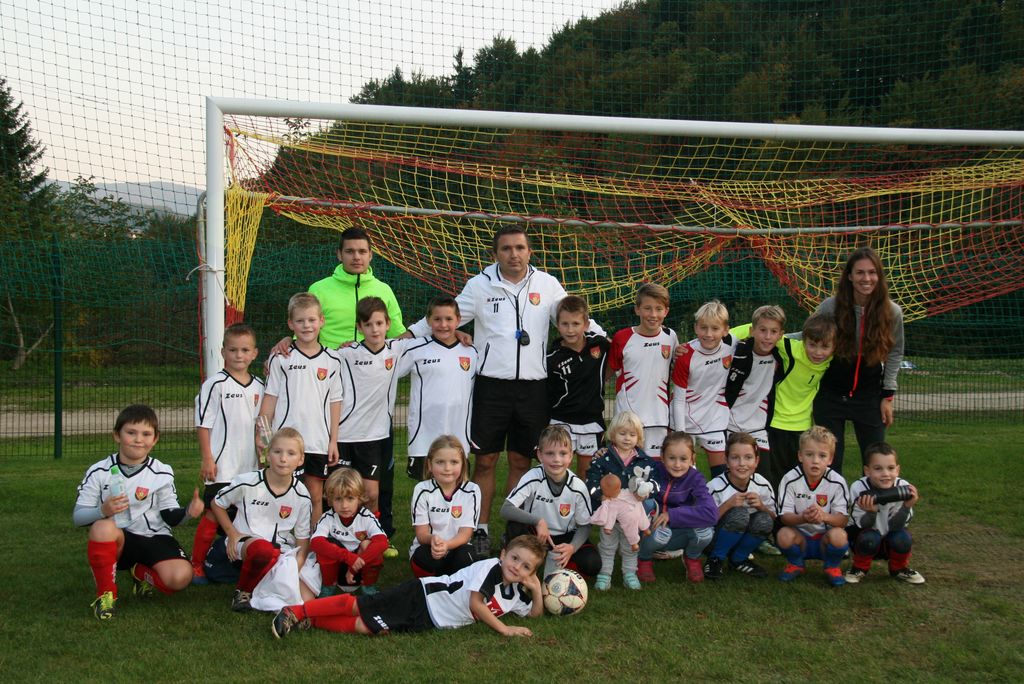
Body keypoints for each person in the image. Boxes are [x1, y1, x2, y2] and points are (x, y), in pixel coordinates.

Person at [404, 225, 598, 556]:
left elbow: (574, 316)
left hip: (534, 388)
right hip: (491, 386)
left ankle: (515, 530)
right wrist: (405, 337)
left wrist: (607, 340)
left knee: (522, 460)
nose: (513, 254)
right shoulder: (479, 285)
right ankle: (479, 529)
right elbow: (447, 317)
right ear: (495, 253)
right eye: (506, 248)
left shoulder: (547, 284)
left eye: (520, 248)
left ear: (529, 251)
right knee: (486, 460)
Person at [272, 226, 406, 557]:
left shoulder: (383, 290)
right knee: (331, 477)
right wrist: (287, 341)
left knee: (379, 477)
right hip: (329, 385)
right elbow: (305, 322)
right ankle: (326, 535)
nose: (356, 257)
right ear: (339, 254)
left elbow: (400, 334)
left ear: (371, 255)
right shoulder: (320, 288)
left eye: (362, 251)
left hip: (372, 397)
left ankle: (381, 532)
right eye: (350, 251)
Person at [271, 534, 546, 639]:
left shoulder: (513, 593)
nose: (516, 567)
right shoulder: (492, 569)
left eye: (526, 567)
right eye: (515, 558)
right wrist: (504, 629)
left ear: (531, 573)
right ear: (503, 554)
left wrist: (535, 592)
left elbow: (534, 615)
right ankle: (295, 610)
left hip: (431, 619)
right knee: (359, 606)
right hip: (422, 596)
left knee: (368, 627)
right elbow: (476, 603)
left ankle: (312, 620)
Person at [74, 404, 203, 619]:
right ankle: (106, 596)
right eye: (131, 433)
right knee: (102, 527)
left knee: (179, 579)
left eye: (146, 434)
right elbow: (78, 517)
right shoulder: (99, 471)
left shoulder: (162, 472)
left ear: (155, 439)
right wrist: (102, 510)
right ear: (117, 435)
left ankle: (139, 572)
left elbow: (169, 515)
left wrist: (188, 511)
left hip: (154, 537)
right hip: (119, 540)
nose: (138, 440)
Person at [814, 246, 905, 474]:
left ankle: (874, 498)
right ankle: (832, 499)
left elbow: (895, 353)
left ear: (879, 276)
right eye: (860, 272)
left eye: (872, 272)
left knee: (876, 461)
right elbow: (809, 336)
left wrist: (887, 396)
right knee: (829, 463)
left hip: (869, 397)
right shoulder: (830, 307)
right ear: (849, 276)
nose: (866, 278)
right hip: (830, 395)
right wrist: (772, 337)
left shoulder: (892, 312)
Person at [259, 292, 342, 525]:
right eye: (300, 321)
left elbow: (335, 402)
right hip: (285, 441)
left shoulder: (333, 360)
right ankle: (276, 538)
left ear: (321, 321)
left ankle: (313, 541)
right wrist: (263, 437)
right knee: (281, 493)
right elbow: (270, 399)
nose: (307, 325)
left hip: (317, 441)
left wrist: (333, 440)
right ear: (290, 324)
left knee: (315, 496)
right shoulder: (280, 358)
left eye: (311, 320)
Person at [191, 323, 264, 584]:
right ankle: (197, 564)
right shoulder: (215, 385)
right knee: (214, 512)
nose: (239, 355)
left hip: (250, 467)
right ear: (223, 352)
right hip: (223, 465)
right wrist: (207, 458)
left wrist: (263, 457)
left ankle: (236, 561)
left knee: (246, 513)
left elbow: (263, 425)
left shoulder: (260, 386)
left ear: (254, 353)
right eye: (233, 350)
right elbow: (204, 424)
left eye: (244, 350)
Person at [211, 427, 312, 612]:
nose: (283, 459)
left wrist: (295, 569)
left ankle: (271, 587)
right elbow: (217, 503)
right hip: (246, 544)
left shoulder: (302, 495)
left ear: (301, 459)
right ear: (267, 454)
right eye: (277, 452)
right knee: (263, 550)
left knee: (306, 594)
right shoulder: (247, 482)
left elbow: (303, 540)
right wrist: (232, 534)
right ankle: (243, 592)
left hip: (281, 553)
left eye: (291, 453)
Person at [336, 296, 407, 516]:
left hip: (374, 436)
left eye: (379, 323)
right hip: (344, 434)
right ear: (359, 327)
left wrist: (458, 333)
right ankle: (340, 534)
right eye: (368, 324)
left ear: (388, 324)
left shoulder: (397, 350)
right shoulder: (346, 354)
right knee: (341, 492)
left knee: (371, 494)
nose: (374, 329)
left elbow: (428, 331)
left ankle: (370, 533)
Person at [500, 425, 599, 578]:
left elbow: (585, 526)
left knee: (592, 564)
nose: (556, 459)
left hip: (564, 537)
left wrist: (572, 548)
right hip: (536, 533)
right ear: (540, 455)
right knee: (515, 525)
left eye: (563, 453)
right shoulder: (533, 477)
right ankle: (516, 556)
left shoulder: (578, 487)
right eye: (550, 453)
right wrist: (538, 521)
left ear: (571, 456)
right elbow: (506, 509)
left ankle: (559, 565)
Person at [396, 296, 477, 481]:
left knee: (457, 488)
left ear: (458, 320)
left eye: (449, 319)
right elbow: (383, 360)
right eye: (437, 319)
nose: (443, 325)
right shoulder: (415, 348)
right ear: (428, 321)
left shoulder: (471, 351)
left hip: (458, 437)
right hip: (424, 437)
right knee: (426, 488)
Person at [584, 411, 660, 590]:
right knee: (607, 546)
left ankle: (629, 574)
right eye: (622, 433)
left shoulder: (645, 461)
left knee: (631, 545)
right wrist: (600, 495)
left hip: (632, 515)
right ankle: (604, 575)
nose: (627, 438)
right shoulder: (603, 459)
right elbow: (590, 482)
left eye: (632, 434)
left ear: (639, 437)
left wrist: (646, 492)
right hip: (610, 514)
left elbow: (656, 484)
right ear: (612, 434)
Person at [763, 312, 837, 490]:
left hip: (803, 428)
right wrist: (726, 336)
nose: (818, 352)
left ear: (834, 347)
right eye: (812, 345)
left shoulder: (832, 360)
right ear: (804, 341)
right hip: (776, 423)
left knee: (799, 477)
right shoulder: (790, 348)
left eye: (824, 347)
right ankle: (776, 507)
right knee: (776, 476)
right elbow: (757, 329)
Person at [609, 283, 677, 458]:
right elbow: (610, 371)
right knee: (625, 467)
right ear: (637, 309)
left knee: (655, 469)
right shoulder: (622, 338)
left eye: (658, 309)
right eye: (647, 308)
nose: (653, 314)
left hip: (658, 418)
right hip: (627, 419)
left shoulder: (671, 337)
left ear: (666, 311)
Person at [639, 432, 717, 584]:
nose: (677, 464)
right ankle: (643, 558)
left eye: (683, 459)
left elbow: (712, 513)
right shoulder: (652, 471)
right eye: (672, 458)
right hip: (652, 531)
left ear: (692, 459)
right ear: (662, 456)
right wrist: (604, 454)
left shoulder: (696, 479)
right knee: (661, 530)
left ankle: (692, 558)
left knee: (706, 532)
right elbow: (626, 461)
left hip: (679, 532)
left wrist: (672, 515)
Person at [776, 426, 850, 586]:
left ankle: (832, 566)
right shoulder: (789, 480)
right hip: (800, 537)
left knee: (839, 536)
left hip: (825, 539)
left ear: (830, 459)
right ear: (800, 456)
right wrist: (803, 517)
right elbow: (784, 517)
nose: (815, 461)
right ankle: (796, 563)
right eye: (809, 454)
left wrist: (824, 516)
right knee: (783, 535)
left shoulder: (837, 482)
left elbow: (843, 520)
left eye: (822, 456)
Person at [671, 300, 736, 477]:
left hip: (715, 420)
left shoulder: (732, 346)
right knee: (684, 475)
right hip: (685, 420)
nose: (708, 334)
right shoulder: (685, 355)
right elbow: (678, 400)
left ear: (725, 330)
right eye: (703, 328)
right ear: (695, 328)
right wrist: (681, 435)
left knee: (722, 475)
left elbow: (755, 329)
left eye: (715, 329)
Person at [546, 295, 610, 477]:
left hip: (591, 421)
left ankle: (584, 497)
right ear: (557, 325)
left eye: (576, 324)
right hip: (560, 421)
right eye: (565, 324)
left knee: (588, 472)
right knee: (557, 472)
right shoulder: (552, 358)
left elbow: (621, 355)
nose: (570, 329)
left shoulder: (600, 344)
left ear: (586, 324)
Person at [301, 467, 388, 598]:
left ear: (359, 498)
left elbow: (382, 542)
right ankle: (328, 585)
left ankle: (368, 585)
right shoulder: (328, 517)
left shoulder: (366, 517)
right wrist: (349, 558)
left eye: (350, 498)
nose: (344, 505)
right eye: (338, 499)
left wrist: (356, 564)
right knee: (327, 546)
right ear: (330, 499)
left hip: (359, 567)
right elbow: (316, 542)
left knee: (368, 545)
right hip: (337, 567)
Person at [845, 442, 925, 584]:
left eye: (891, 468)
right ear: (867, 471)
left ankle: (899, 568)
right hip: (864, 536)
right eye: (878, 468)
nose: (886, 474)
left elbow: (896, 526)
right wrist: (871, 513)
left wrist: (906, 507)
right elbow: (860, 526)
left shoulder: (903, 487)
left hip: (890, 534)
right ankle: (859, 568)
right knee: (869, 538)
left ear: (897, 470)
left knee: (903, 538)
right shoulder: (859, 487)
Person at [704, 432, 777, 580]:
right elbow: (702, 523)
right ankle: (715, 559)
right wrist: (727, 505)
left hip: (742, 536)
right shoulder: (715, 486)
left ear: (756, 461)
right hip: (713, 539)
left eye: (748, 457)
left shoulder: (762, 484)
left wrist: (762, 506)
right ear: (726, 460)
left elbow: (774, 518)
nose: (742, 463)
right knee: (739, 514)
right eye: (735, 458)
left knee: (764, 519)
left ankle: (739, 559)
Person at [408, 435, 481, 577]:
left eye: (454, 462)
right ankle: (431, 585)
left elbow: (466, 534)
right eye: (440, 462)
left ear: (463, 464)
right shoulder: (422, 490)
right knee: (423, 557)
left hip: (457, 547)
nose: (447, 468)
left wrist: (447, 545)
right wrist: (434, 540)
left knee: (467, 556)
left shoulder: (472, 490)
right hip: (431, 547)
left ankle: (457, 583)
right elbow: (421, 534)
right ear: (430, 465)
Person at [724, 306, 786, 456]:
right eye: (762, 330)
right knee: (736, 467)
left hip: (759, 427)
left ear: (780, 335)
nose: (767, 336)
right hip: (731, 424)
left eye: (773, 331)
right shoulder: (737, 352)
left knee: (763, 470)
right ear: (752, 331)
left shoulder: (780, 357)